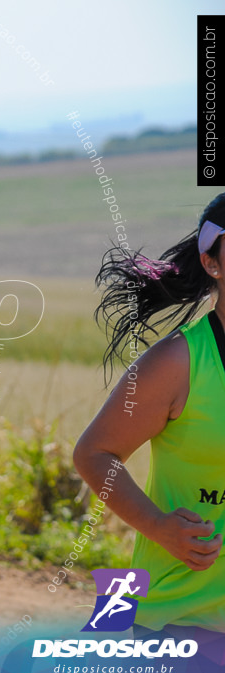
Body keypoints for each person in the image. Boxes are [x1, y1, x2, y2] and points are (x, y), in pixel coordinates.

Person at [74, 192, 225, 633]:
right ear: (212, 263)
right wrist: (159, 526)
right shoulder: (177, 362)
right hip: (176, 616)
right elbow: (94, 454)